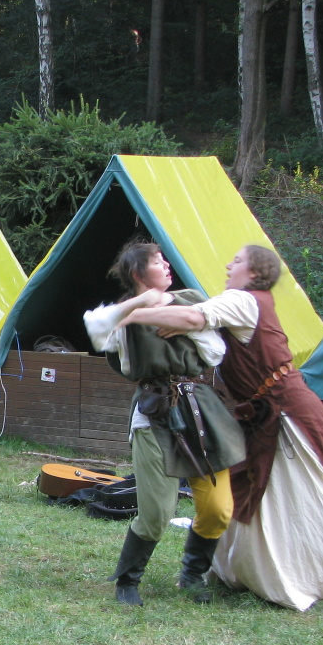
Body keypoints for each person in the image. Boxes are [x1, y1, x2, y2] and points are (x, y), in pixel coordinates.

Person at [116, 245, 323, 612]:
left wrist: (132, 315)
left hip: (287, 413)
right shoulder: (236, 301)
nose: (229, 264)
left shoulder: (242, 299)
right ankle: (223, 572)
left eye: (237, 261)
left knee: (318, 500)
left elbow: (194, 317)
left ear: (254, 272)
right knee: (251, 497)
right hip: (258, 415)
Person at [84, 241, 245, 605]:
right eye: (158, 262)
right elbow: (96, 327)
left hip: (200, 409)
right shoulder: (123, 313)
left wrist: (177, 320)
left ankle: (192, 575)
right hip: (153, 412)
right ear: (138, 272)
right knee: (157, 513)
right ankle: (127, 581)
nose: (167, 265)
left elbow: (215, 352)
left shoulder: (190, 300)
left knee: (218, 509)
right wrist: (143, 305)